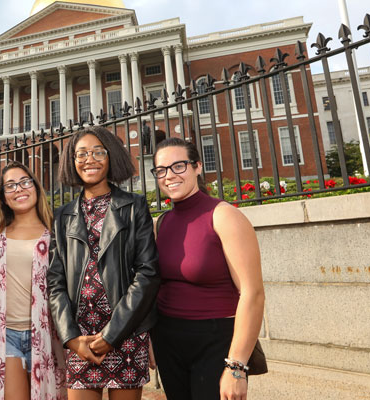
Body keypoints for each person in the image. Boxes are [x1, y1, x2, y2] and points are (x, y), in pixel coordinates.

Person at [48, 126, 160, 400]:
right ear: (72, 163)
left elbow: (147, 272)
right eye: (81, 153)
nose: (90, 159)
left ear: (111, 157)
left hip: (126, 331)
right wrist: (71, 337)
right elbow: (55, 282)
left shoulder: (134, 206)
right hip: (81, 337)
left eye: (98, 151)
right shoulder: (62, 216)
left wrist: (112, 335)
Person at [149, 137, 264, 400]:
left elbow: (252, 293)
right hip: (167, 339)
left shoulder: (224, 216)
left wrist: (237, 366)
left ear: (197, 167)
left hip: (215, 341)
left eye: (179, 166)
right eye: (161, 170)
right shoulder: (161, 223)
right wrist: (151, 337)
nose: (169, 176)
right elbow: (157, 286)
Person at [0, 161, 66, 400]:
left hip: (48, 335)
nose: (19, 189)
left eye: (25, 182)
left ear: (36, 187)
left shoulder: (56, 232)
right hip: (6, 336)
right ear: (3, 197)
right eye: (10, 186)